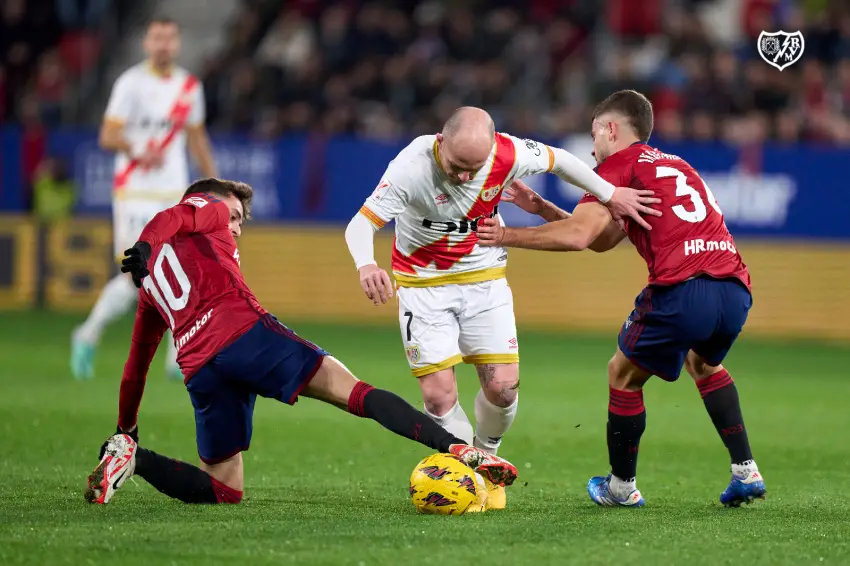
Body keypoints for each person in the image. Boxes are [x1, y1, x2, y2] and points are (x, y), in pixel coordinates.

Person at [85, 178, 517, 506]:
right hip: (244, 334)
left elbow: (135, 368)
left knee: (223, 488)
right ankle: (462, 450)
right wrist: (144, 242)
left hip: (198, 367)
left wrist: (127, 431)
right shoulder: (204, 211)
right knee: (354, 392)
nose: (236, 228)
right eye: (233, 216)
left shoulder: (149, 287)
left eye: (239, 220)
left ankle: (135, 459)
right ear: (209, 203)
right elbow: (174, 217)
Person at [344, 106, 659, 508]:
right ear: (440, 142)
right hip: (422, 286)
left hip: (483, 281)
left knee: (503, 389)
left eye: (473, 168)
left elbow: (560, 160)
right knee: (440, 397)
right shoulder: (411, 167)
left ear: (493, 148)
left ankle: (484, 454)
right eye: (457, 165)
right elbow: (362, 222)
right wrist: (366, 264)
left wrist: (610, 194)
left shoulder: (508, 153)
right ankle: (470, 475)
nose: (463, 176)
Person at [476, 90, 765, 508]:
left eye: (594, 135)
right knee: (703, 362)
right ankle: (746, 470)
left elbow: (578, 237)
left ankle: (620, 487)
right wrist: (541, 208)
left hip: (684, 291)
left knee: (621, 374)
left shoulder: (616, 167)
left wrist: (504, 235)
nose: (593, 149)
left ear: (610, 129)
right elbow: (602, 239)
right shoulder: (674, 164)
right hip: (735, 290)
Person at [71, 16, 217, 381]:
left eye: (169, 38)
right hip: (135, 192)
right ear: (146, 43)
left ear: (177, 43)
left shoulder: (189, 86)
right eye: (157, 38)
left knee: (182, 270)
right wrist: (137, 148)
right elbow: (107, 135)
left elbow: (196, 138)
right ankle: (87, 333)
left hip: (172, 192)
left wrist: (216, 185)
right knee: (135, 276)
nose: (164, 45)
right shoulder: (131, 83)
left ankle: (177, 359)